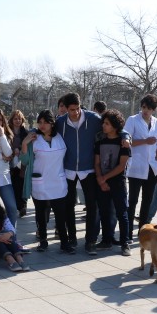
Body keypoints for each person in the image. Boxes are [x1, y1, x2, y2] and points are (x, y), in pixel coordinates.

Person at [57, 93, 102, 255]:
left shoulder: (94, 119)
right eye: (71, 110)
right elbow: (44, 129)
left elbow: (115, 126)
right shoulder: (60, 122)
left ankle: (90, 240)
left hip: (88, 169)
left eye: (77, 109)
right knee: (68, 205)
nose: (75, 113)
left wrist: (126, 137)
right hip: (68, 169)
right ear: (66, 108)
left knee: (92, 205)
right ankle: (72, 238)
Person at [21, 110, 71, 253]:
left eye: (46, 122)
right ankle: (43, 240)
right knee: (41, 214)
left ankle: (64, 242)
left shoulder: (61, 137)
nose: (42, 125)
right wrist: (25, 142)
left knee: (61, 214)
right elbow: (24, 161)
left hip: (58, 181)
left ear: (52, 123)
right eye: (40, 122)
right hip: (40, 182)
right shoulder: (34, 138)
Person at [124, 94, 157, 242]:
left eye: (149, 108)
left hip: (152, 167)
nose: (146, 111)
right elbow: (127, 141)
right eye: (144, 107)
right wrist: (145, 141)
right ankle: (127, 234)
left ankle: (143, 232)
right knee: (132, 200)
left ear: (154, 109)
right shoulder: (133, 120)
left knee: (147, 200)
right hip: (136, 166)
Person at [94, 109, 132, 256]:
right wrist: (100, 179)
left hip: (118, 182)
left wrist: (105, 178)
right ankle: (106, 239)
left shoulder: (123, 143)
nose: (104, 126)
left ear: (115, 126)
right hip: (102, 182)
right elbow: (96, 163)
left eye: (107, 124)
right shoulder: (100, 141)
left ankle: (125, 242)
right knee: (104, 212)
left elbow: (122, 166)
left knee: (122, 213)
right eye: (103, 123)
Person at [8, 110, 29, 217]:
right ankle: (16, 206)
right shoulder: (8, 131)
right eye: (15, 118)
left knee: (21, 184)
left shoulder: (25, 132)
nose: (17, 121)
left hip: (22, 163)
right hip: (10, 162)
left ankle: (22, 206)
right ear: (11, 120)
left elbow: (28, 146)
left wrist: (20, 150)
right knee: (13, 185)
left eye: (19, 119)